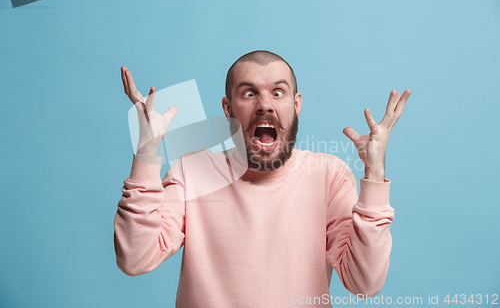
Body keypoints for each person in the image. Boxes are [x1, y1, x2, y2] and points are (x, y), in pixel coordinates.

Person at [114, 50, 411, 307]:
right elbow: (135, 258)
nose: (264, 105)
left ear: (296, 105)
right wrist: (146, 151)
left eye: (277, 92)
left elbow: (365, 284)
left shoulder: (328, 175)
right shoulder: (192, 171)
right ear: (228, 109)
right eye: (249, 92)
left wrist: (374, 173)